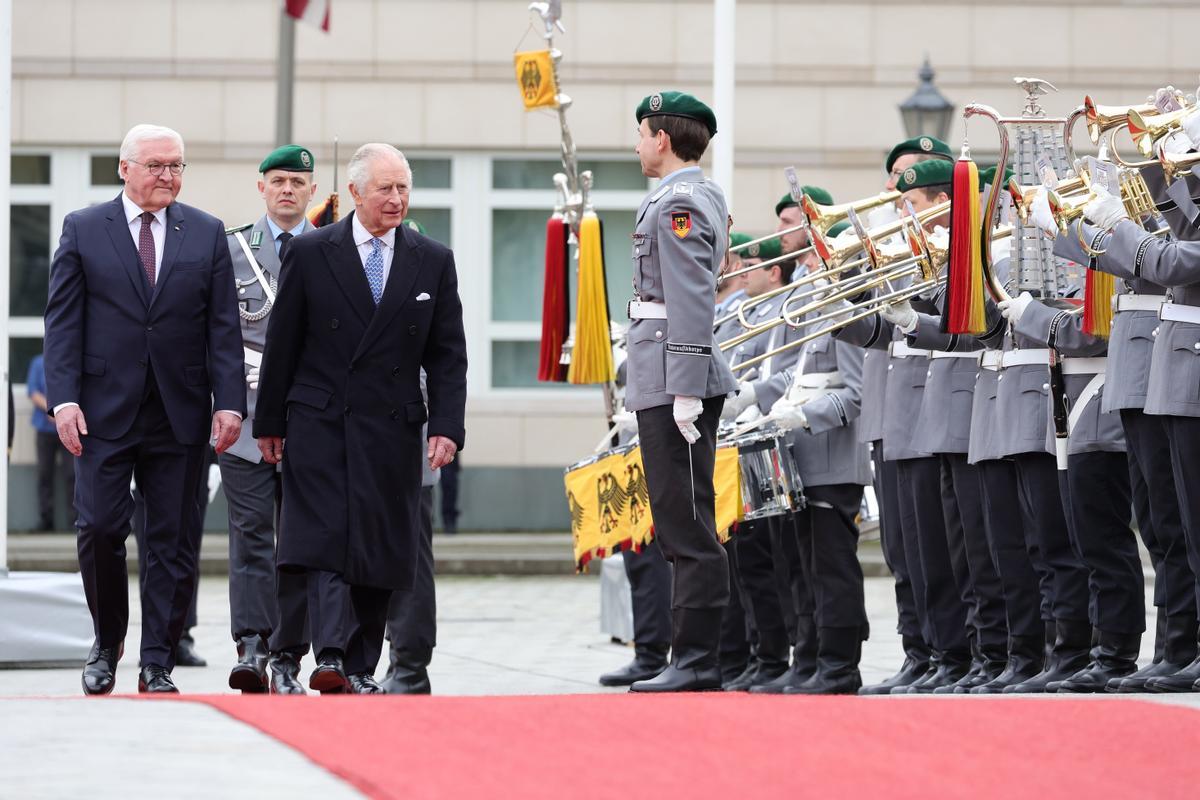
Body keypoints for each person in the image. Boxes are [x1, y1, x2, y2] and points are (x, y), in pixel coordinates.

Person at [254, 143, 467, 695]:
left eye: (403, 188)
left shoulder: (432, 259)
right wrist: (269, 422)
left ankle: (355, 666)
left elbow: (447, 354)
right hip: (319, 422)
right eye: (384, 189)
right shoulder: (312, 251)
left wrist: (446, 426)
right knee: (314, 544)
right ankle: (290, 656)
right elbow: (282, 344)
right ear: (354, 193)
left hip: (392, 427)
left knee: (381, 550)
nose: (396, 199)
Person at [43, 123, 245, 695]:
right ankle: (107, 643)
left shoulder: (204, 233)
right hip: (101, 413)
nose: (167, 176)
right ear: (124, 168)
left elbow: (223, 329)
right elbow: (62, 323)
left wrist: (229, 403)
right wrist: (64, 399)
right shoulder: (84, 229)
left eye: (176, 166)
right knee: (100, 527)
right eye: (156, 166)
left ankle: (157, 659)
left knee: (172, 540)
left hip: (180, 413)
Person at [622, 91, 737, 693]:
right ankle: (688, 656)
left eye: (642, 133)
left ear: (662, 139)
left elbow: (692, 296)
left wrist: (686, 386)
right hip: (663, 373)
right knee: (676, 520)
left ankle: (696, 659)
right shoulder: (683, 198)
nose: (637, 144)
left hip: (675, 379)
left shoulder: (680, 202)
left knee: (688, 524)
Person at [220, 144, 320, 694]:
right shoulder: (232, 248)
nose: (287, 189)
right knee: (252, 536)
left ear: (311, 190)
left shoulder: (331, 247)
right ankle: (252, 646)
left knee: (300, 542)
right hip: (245, 422)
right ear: (261, 187)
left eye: (297, 182)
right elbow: (213, 335)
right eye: (277, 180)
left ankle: (289, 655)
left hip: (309, 422)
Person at [26, 353, 74, 531]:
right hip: (44, 429)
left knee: (73, 475)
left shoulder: (70, 361)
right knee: (45, 474)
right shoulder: (38, 363)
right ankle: (46, 520)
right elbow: (32, 391)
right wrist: (54, 409)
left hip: (69, 429)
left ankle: (75, 521)